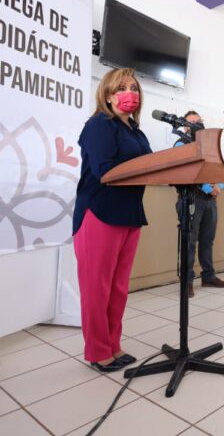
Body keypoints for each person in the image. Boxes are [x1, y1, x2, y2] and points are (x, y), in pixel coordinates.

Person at [73, 68, 151, 373]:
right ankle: (97, 350)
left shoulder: (135, 131)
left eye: (134, 87)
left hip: (130, 213)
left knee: (118, 287)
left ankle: (113, 345)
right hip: (99, 212)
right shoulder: (99, 125)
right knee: (97, 287)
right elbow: (105, 170)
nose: (129, 92)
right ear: (107, 94)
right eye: (121, 87)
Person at [174, 111, 224, 298]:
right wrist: (208, 187)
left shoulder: (210, 145)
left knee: (208, 240)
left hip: (211, 200)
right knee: (189, 242)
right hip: (191, 198)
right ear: (184, 126)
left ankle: (208, 276)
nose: (195, 125)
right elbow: (186, 171)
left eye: (199, 122)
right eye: (191, 122)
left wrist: (219, 186)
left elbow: (220, 167)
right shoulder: (181, 144)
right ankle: (187, 282)